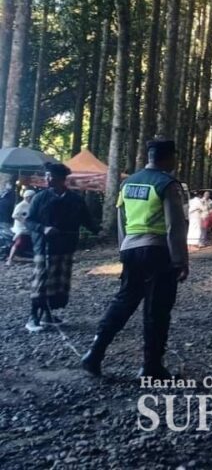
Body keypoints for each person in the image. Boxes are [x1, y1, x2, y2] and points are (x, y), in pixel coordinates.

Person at [81, 139, 189, 379]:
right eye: (174, 157)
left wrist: (124, 249)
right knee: (157, 310)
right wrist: (180, 260)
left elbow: (122, 220)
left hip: (131, 249)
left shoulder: (128, 183)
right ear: (168, 157)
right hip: (158, 252)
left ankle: (95, 353)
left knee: (124, 301)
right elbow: (175, 226)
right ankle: (151, 366)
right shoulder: (167, 184)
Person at [25, 164, 99, 332]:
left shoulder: (75, 199)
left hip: (66, 246)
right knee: (41, 282)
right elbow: (29, 220)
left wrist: (98, 231)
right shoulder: (40, 197)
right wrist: (43, 228)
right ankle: (33, 317)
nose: (47, 179)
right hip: (44, 246)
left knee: (58, 283)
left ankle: (47, 315)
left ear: (61, 179)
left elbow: (86, 220)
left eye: (50, 176)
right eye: (46, 176)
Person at [6, 189, 35, 267]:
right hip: (21, 227)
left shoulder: (31, 205)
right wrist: (23, 220)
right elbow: (14, 215)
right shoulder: (21, 205)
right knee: (18, 242)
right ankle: (10, 259)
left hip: (28, 227)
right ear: (27, 197)